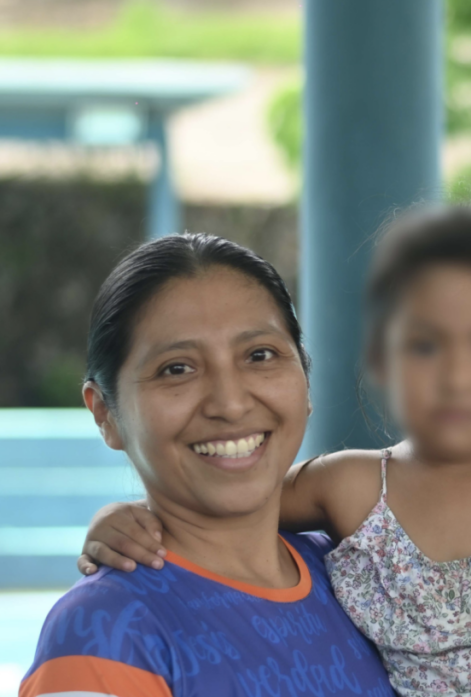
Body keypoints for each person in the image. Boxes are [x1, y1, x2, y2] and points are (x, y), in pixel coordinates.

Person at [76, 206, 471, 696]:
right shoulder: (349, 488)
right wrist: (123, 519)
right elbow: (221, 496)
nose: (458, 375)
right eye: (426, 345)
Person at [21, 234, 395, 697]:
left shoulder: (364, 577)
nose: (231, 403)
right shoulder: (107, 629)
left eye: (259, 356)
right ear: (105, 414)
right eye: (177, 368)